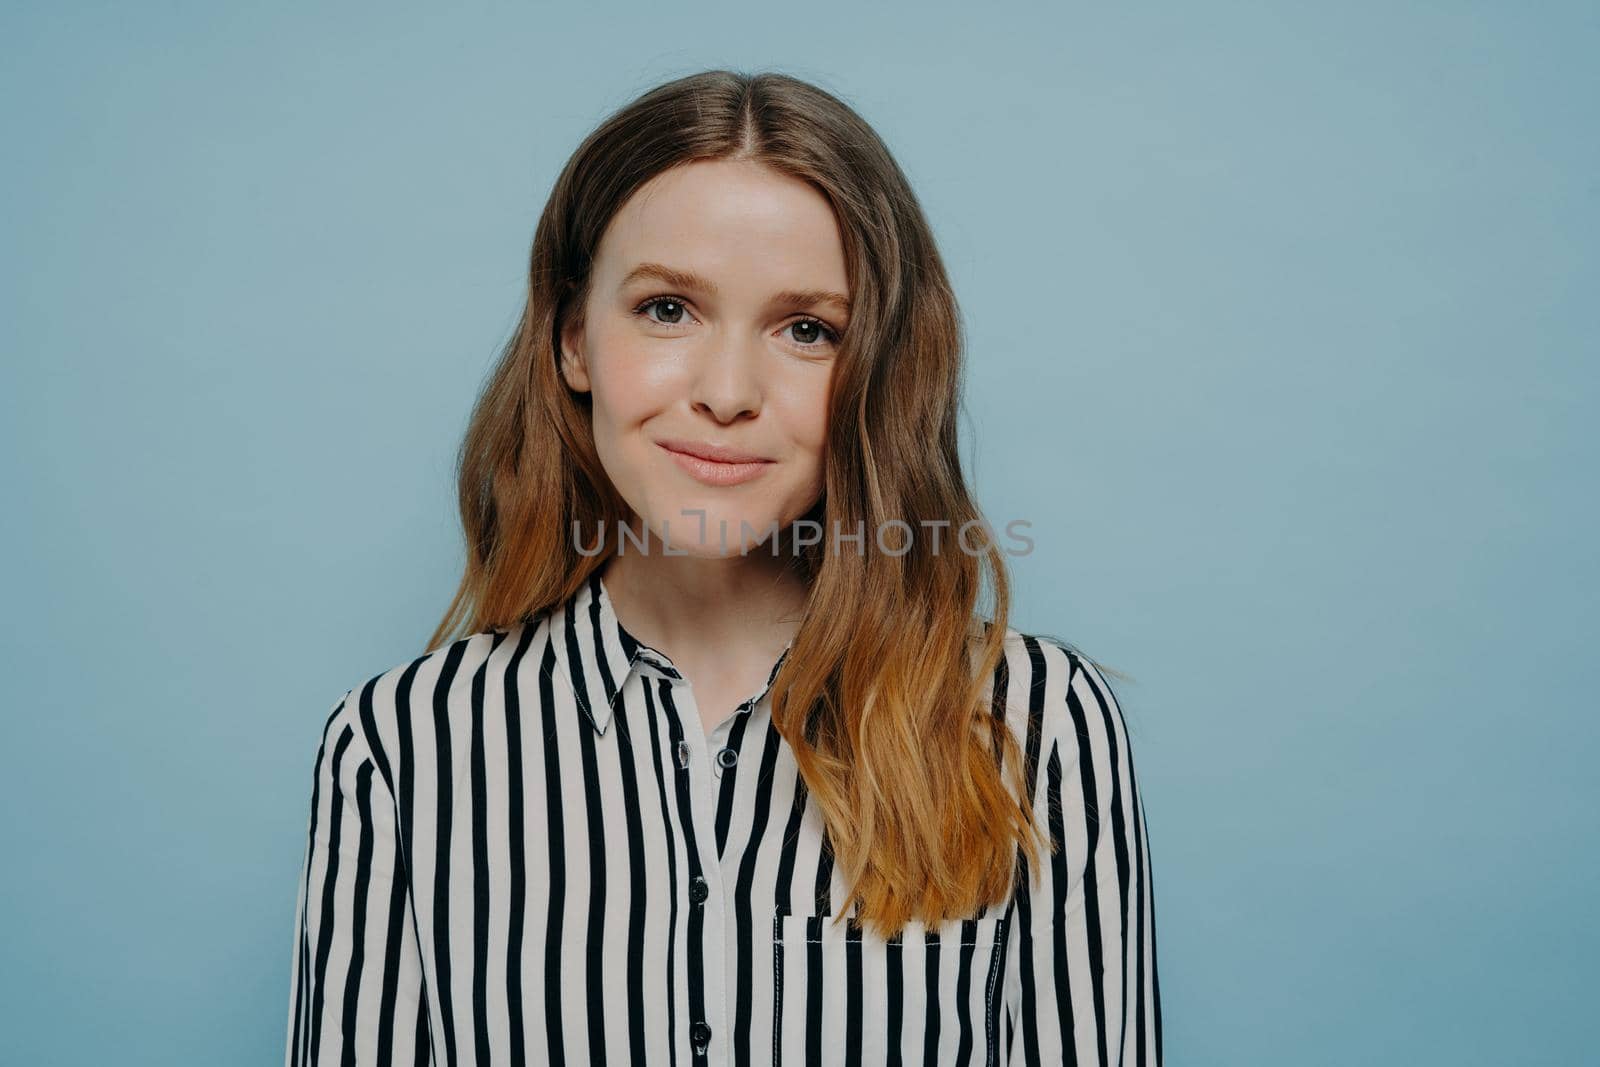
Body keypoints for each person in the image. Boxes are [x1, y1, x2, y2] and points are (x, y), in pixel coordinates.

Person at [284, 68, 1161, 1066]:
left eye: (806, 330)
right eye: (667, 309)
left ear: (873, 369)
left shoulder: (1032, 725)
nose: (729, 391)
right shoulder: (401, 745)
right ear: (574, 339)